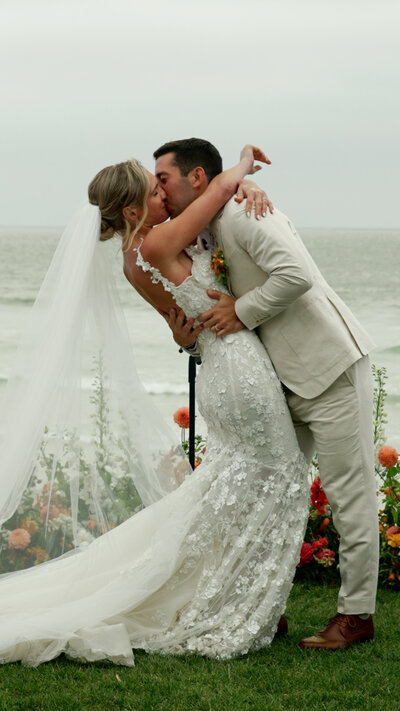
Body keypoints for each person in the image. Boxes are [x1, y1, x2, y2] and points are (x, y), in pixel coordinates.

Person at [0, 146, 308, 666]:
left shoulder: (131, 259)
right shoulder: (162, 239)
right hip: (238, 372)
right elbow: (213, 192)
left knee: (240, 484)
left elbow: (180, 327)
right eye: (153, 190)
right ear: (131, 211)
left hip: (217, 369)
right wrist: (242, 167)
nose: (163, 193)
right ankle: (239, 603)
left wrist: (242, 189)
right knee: (279, 478)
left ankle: (240, 594)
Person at [154, 137, 379, 651]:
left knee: (350, 496)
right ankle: (263, 606)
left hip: (327, 366)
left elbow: (296, 274)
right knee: (273, 495)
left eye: (163, 178)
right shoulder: (205, 232)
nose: (160, 191)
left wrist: (242, 310)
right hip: (277, 381)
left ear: (195, 178)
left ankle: (356, 616)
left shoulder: (243, 213)